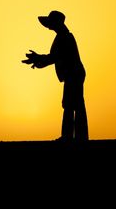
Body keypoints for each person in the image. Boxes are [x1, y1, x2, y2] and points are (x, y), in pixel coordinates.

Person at [22, 10, 88, 142]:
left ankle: (71, 137)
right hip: (74, 74)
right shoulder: (63, 36)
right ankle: (76, 137)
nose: (48, 27)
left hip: (73, 74)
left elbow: (54, 57)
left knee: (72, 105)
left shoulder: (65, 37)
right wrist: (38, 60)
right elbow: (54, 57)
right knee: (73, 104)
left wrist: (37, 59)